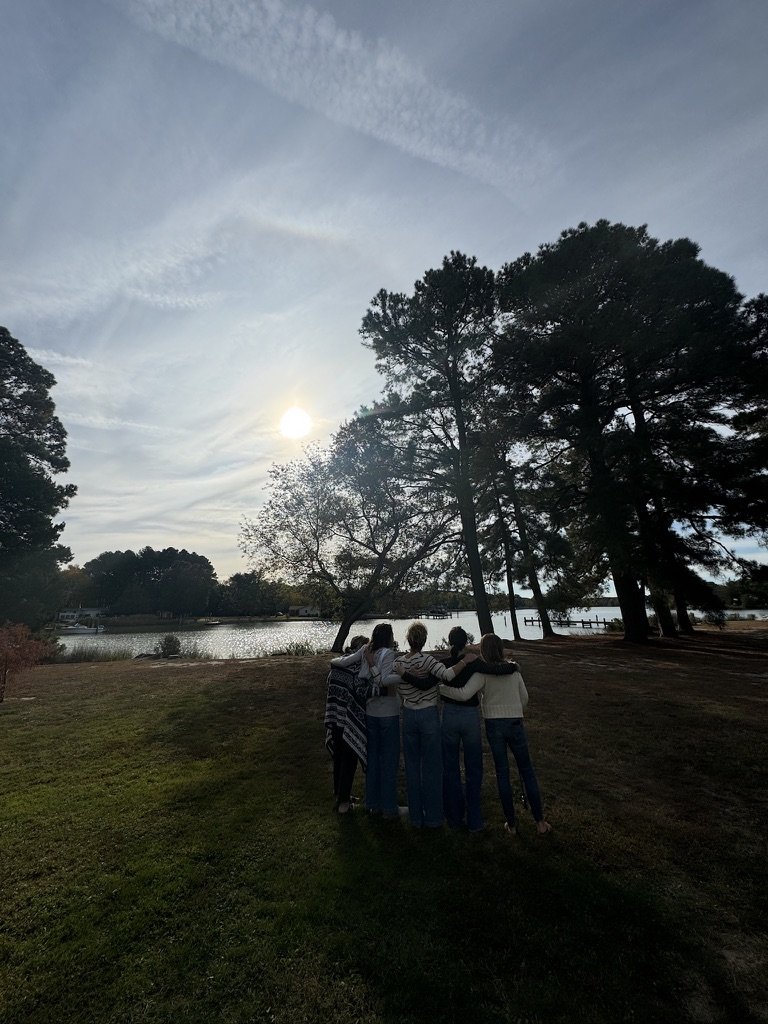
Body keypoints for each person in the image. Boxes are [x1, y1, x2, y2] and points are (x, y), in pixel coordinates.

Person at [438, 633, 552, 836]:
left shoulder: (482, 674)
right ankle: (540, 822)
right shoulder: (514, 670)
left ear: (483, 651)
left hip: (494, 726)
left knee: (503, 773)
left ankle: (512, 824)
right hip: (515, 723)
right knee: (527, 770)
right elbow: (524, 699)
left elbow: (464, 694)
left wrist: (441, 690)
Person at [394, 621, 477, 829]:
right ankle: (433, 817)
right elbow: (448, 675)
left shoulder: (400, 662)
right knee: (432, 767)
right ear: (424, 640)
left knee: (412, 767)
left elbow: (397, 686)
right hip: (429, 714)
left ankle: (415, 816)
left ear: (408, 639)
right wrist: (465, 661)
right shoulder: (429, 661)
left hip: (409, 716)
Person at [438, 626, 520, 832]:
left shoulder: (444, 664)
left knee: (450, 767)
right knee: (473, 768)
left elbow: (432, 680)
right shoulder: (474, 663)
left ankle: (454, 817)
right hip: (469, 717)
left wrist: (441, 689)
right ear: (465, 642)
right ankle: (474, 820)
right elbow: (495, 669)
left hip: (449, 715)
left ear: (449, 642)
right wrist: (512, 666)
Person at [325, 634, 370, 814]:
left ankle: (340, 793)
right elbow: (361, 692)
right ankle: (344, 802)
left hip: (335, 715)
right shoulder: (357, 668)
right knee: (349, 761)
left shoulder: (337, 665)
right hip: (348, 719)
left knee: (338, 758)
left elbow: (329, 683)